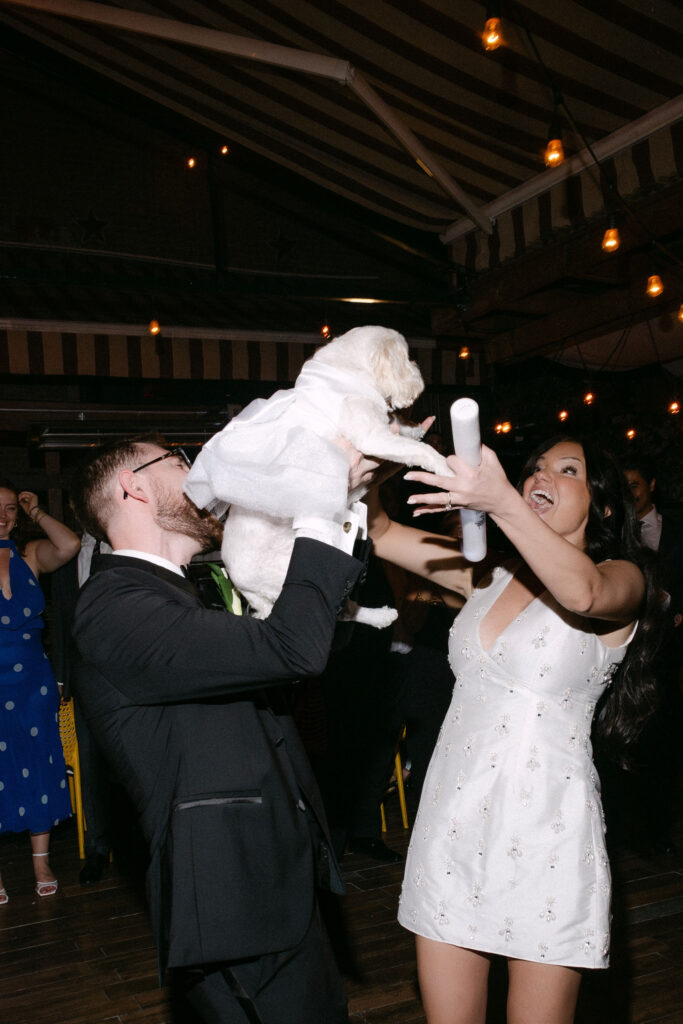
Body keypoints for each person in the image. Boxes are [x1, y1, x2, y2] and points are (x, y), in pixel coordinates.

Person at [69, 435, 372, 1024]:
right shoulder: (114, 604)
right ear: (133, 485)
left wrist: (344, 500)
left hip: (264, 871)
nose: (200, 470)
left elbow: (277, 675)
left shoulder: (182, 589)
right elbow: (292, 650)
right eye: (181, 461)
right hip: (231, 888)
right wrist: (315, 509)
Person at [366, 436, 660, 1024]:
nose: (540, 476)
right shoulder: (488, 575)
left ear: (603, 506)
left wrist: (502, 502)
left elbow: (583, 593)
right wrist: (376, 457)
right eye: (534, 469)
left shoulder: (623, 577)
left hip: (547, 834)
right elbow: (380, 532)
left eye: (567, 470)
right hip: (451, 823)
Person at [0, 480, 80, 903]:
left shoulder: (29, 554)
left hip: (33, 678)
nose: (3, 514)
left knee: (38, 761)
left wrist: (36, 512)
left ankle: (41, 861)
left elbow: (69, 545)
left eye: (11, 508)